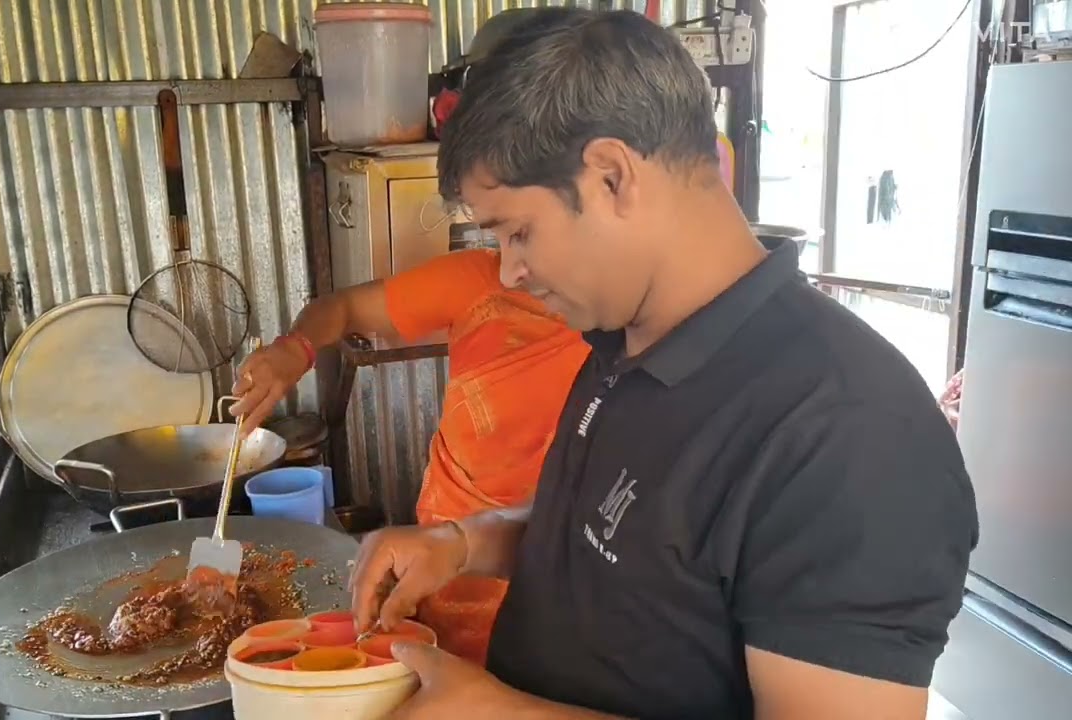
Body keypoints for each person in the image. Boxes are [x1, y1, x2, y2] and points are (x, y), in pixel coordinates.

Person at [348, 9, 979, 720]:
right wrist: (462, 543)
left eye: (518, 232)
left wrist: (504, 714)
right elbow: (618, 542)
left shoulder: (849, 434)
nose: (510, 271)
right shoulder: (622, 341)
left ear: (611, 176)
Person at [229, 244, 588, 664]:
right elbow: (342, 308)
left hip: (556, 595)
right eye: (501, 233)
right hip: (437, 570)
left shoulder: (628, 338)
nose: (510, 268)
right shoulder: (480, 281)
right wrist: (297, 347)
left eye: (523, 230)